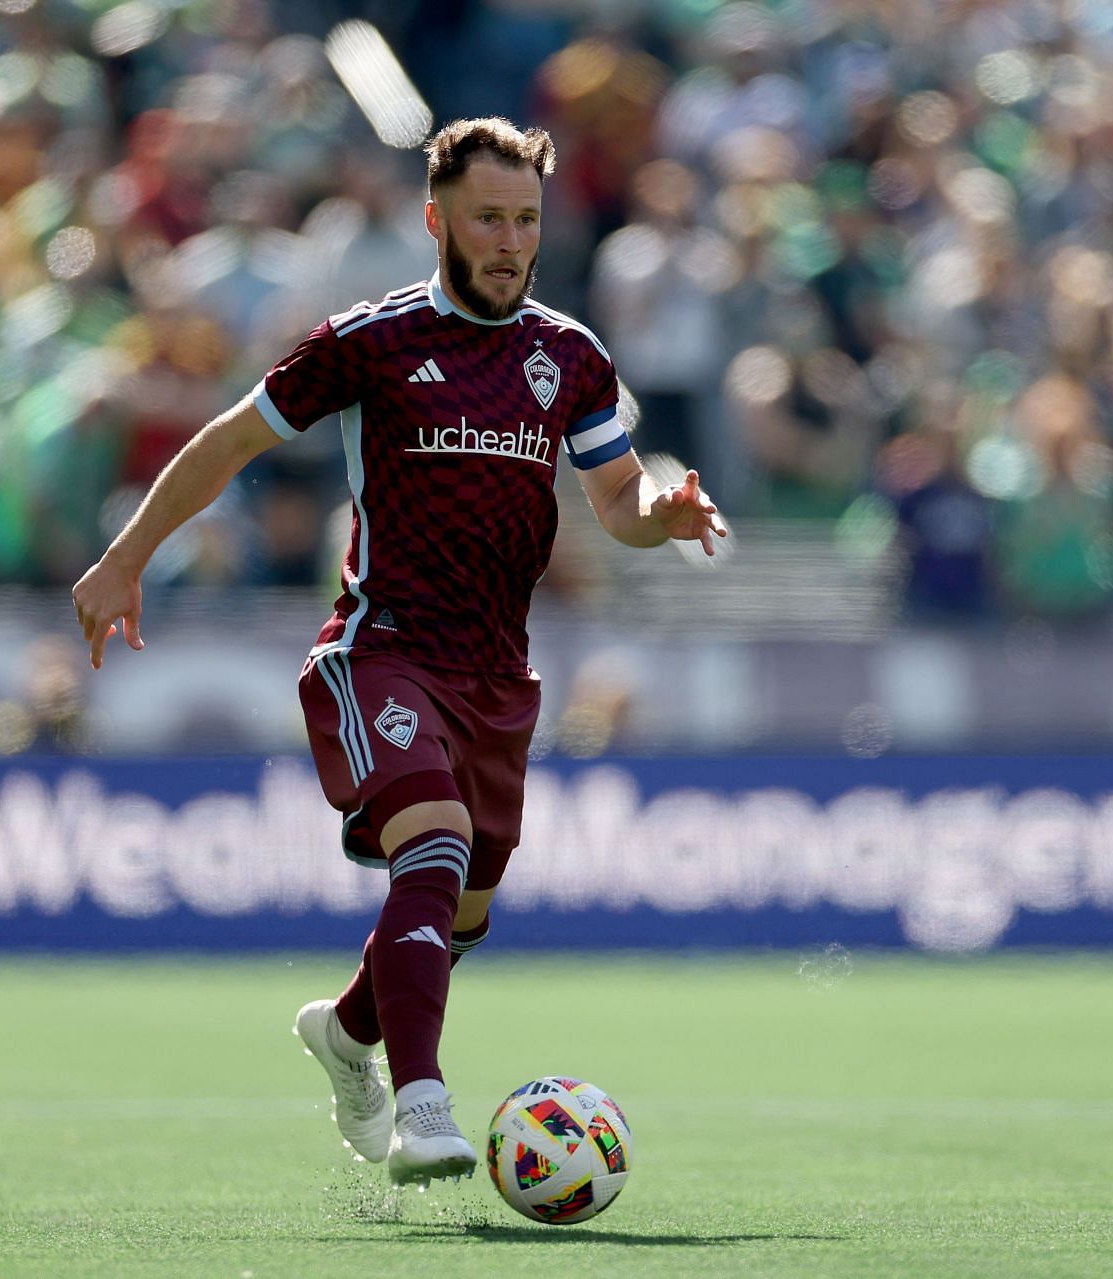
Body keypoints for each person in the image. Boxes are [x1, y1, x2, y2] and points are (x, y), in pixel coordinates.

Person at [71, 118, 724, 1184]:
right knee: (434, 845)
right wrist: (125, 557)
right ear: (437, 222)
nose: (511, 241)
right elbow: (231, 440)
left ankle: (345, 1032)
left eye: (526, 220)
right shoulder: (367, 341)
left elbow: (616, 496)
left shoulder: (571, 357)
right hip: (380, 650)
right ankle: (423, 1103)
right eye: (488, 219)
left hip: (498, 677)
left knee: (459, 909)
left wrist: (669, 508)